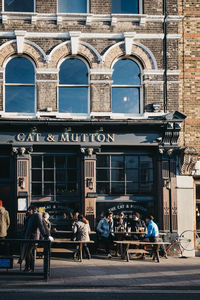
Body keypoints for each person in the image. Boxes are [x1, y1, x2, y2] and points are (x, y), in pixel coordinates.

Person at [21, 206, 49, 272]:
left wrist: (44, 234)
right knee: (27, 252)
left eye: (29, 210)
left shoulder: (36, 215)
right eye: (28, 210)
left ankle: (30, 268)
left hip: (33, 237)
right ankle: (27, 267)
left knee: (28, 252)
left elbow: (40, 225)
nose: (28, 211)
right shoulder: (29, 217)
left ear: (33, 210)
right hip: (28, 237)